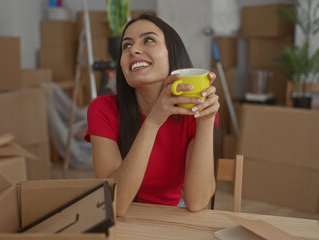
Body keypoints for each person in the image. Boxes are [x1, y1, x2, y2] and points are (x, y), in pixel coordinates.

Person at [85, 14, 220, 217]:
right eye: (126, 46)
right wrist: (154, 121)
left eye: (148, 40)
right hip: (125, 218)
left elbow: (197, 202)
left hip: (172, 217)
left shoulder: (196, 110)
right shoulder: (102, 109)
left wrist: (207, 121)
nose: (134, 50)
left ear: (172, 53)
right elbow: (113, 204)